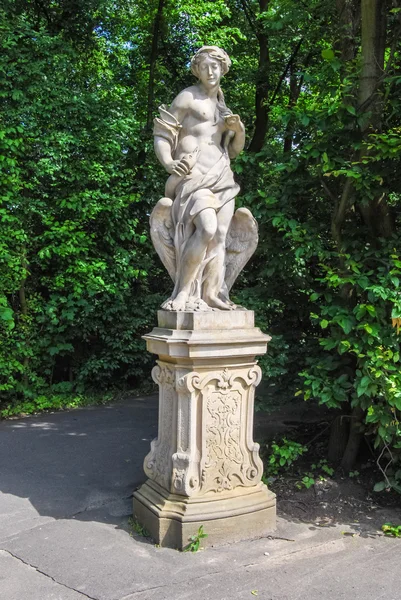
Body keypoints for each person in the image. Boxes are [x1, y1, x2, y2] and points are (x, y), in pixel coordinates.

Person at [153, 46, 246, 311]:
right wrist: (170, 163)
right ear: (197, 70)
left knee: (220, 236)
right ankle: (182, 293)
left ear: (223, 69)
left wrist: (238, 130)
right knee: (206, 228)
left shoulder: (223, 107)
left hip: (222, 177)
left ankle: (212, 294)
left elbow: (235, 150)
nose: (210, 71)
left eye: (215, 66)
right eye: (204, 66)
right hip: (194, 178)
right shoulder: (187, 98)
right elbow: (162, 135)